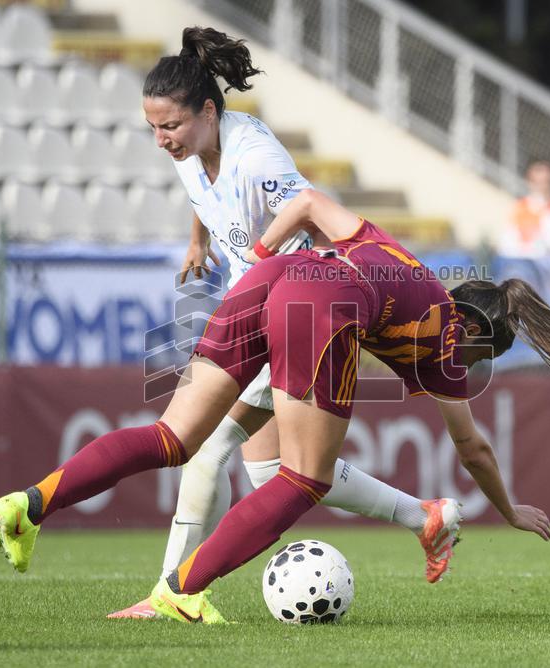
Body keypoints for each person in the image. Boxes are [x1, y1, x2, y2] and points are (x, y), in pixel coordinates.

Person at [0, 188, 550, 624]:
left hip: (268, 279)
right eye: (482, 357)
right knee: (303, 478)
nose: (470, 369)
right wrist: (508, 510)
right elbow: (472, 447)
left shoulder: (399, 257)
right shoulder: (448, 339)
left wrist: (262, 260)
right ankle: (180, 592)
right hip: (320, 309)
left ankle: (28, 505)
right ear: (476, 330)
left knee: (173, 438)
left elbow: (311, 203)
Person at [102, 27, 466, 619]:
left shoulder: (257, 158)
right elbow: (202, 194)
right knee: (273, 469)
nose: (161, 138)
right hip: (258, 308)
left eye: (169, 126)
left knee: (207, 449)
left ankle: (171, 593)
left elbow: (310, 211)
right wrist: (198, 242)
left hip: (294, 314)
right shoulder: (192, 147)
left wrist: (302, 282)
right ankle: (422, 515)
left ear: (208, 112)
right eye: (154, 127)